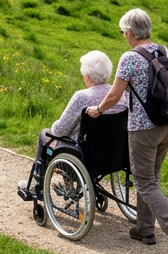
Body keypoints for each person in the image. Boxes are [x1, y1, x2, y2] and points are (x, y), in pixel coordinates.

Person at [86, 8, 168, 254]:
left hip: (143, 129)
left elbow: (114, 95)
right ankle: (144, 229)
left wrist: (98, 111)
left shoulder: (129, 58)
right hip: (167, 124)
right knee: (152, 178)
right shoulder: (163, 50)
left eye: (124, 31)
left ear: (131, 32)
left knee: (145, 182)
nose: (124, 36)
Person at [18, 50, 127, 202]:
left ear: (87, 76)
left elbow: (59, 130)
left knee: (46, 134)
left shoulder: (82, 97)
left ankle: (38, 186)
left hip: (83, 155)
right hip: (114, 155)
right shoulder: (121, 94)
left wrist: (54, 125)